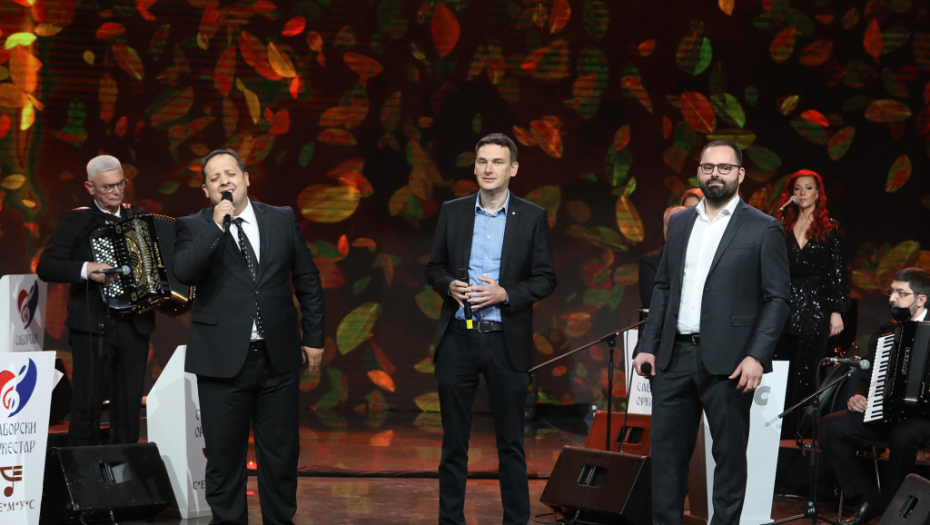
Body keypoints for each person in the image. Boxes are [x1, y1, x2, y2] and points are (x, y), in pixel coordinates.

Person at [633, 139, 790, 525]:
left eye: (724, 167)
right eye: (708, 167)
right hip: (673, 358)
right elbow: (663, 287)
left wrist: (757, 355)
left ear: (740, 174)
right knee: (666, 459)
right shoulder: (680, 222)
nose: (715, 174)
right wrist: (647, 344)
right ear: (699, 172)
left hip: (731, 362)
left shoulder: (763, 227)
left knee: (729, 458)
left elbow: (778, 299)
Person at [174, 148, 325, 525]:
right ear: (206, 190)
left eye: (230, 174)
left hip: (278, 357)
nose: (224, 182)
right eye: (214, 178)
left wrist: (314, 337)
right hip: (221, 363)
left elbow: (307, 278)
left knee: (281, 456)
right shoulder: (192, 226)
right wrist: (215, 226)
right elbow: (184, 273)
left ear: (246, 178)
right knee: (224, 460)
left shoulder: (281, 218)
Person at [425, 133, 557, 525]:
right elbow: (433, 268)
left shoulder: (532, 216)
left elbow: (546, 279)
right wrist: (448, 285)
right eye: (482, 161)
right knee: (454, 444)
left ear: (512, 168)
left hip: (505, 341)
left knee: (511, 444)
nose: (488, 168)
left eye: (497, 162)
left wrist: (505, 294)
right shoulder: (454, 211)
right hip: (458, 339)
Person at [36, 155, 155, 446]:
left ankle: (126, 463)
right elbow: (47, 266)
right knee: (87, 403)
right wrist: (85, 269)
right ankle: (83, 465)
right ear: (90, 187)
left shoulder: (138, 217)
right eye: (107, 187)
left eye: (120, 184)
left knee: (128, 404)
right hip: (91, 324)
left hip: (134, 324)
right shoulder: (78, 220)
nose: (116, 192)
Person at [820, 268, 930, 525]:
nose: (892, 298)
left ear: (921, 299)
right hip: (887, 412)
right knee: (829, 427)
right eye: (891, 291)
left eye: (901, 293)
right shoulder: (885, 333)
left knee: (903, 435)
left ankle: (893, 514)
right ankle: (869, 498)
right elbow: (868, 378)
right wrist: (858, 396)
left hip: (924, 419)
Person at [773, 170, 850, 439]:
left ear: (818, 193)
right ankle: (777, 431)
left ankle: (800, 433)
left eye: (808, 188)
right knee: (781, 367)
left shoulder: (830, 228)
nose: (803, 193)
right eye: (798, 188)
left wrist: (837, 310)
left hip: (817, 304)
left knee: (806, 371)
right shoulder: (782, 226)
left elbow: (837, 271)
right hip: (785, 303)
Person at [639, 205, 687, 309]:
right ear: (664, 230)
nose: (676, 229)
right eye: (671, 224)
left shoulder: (706, 260)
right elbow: (652, 305)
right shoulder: (651, 262)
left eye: (682, 224)